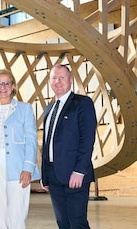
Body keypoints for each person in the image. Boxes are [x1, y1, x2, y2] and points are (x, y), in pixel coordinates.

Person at [0, 69, 40, 229]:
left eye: (7, 83)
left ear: (13, 86)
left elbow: (32, 140)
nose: (3, 87)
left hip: (18, 169)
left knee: (16, 217)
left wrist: (28, 168)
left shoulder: (25, 109)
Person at [41, 65, 97, 229]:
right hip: (54, 176)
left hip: (75, 175)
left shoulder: (82, 103)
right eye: (54, 78)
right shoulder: (49, 109)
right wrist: (45, 175)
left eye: (62, 77)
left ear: (70, 81)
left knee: (77, 223)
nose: (57, 81)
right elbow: (47, 143)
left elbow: (87, 140)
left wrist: (80, 170)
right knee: (63, 223)